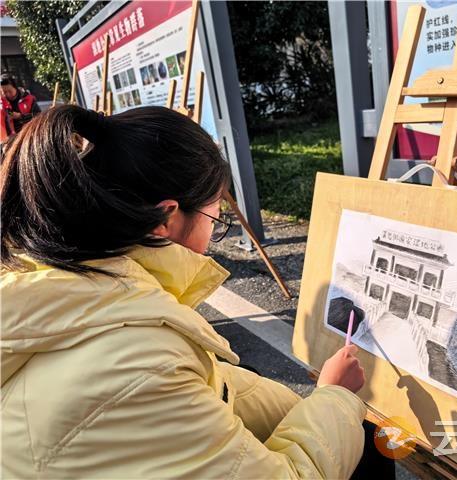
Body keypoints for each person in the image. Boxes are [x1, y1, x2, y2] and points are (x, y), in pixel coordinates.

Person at [1, 105, 395, 478]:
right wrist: (334, 394)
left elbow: (212, 388)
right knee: (368, 446)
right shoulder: (144, 362)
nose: (212, 235)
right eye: (214, 219)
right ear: (165, 217)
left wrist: (302, 406)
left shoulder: (46, 276)